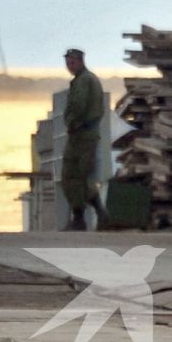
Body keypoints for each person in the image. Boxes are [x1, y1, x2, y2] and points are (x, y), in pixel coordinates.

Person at [61, 47, 105, 230]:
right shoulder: (86, 79)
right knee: (77, 176)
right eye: (67, 63)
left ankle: (84, 216)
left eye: (72, 62)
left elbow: (79, 104)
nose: (69, 66)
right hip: (85, 133)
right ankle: (86, 215)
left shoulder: (84, 81)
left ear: (80, 61)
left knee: (75, 176)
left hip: (82, 134)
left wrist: (72, 122)